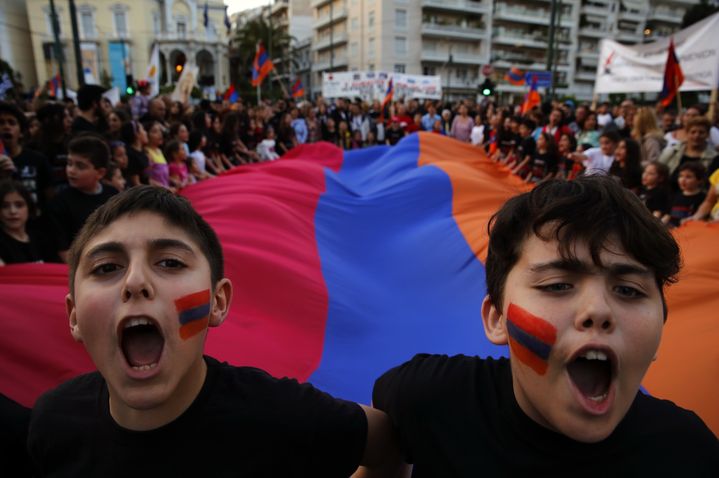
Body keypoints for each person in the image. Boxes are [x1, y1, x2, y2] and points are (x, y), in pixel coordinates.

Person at [27, 186, 400, 476]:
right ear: (74, 315)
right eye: (107, 268)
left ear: (217, 302)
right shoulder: (51, 423)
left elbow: (391, 445)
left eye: (170, 262)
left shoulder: (283, 416)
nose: (136, 281)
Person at [366, 175, 719, 476]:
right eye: (558, 285)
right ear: (496, 319)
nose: (598, 310)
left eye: (628, 290)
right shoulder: (426, 398)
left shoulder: (690, 455)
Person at [45, 135, 118, 262]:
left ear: (100, 173)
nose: (71, 170)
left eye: (80, 166)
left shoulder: (113, 195)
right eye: (69, 163)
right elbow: (64, 251)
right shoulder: (59, 204)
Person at [0, 101, 54, 212]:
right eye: (1, 123)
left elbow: (50, 197)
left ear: (21, 132)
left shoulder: (38, 160)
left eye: (12, 123)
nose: (6, 127)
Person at [662, 161, 706, 228]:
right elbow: (667, 215)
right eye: (681, 176)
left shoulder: (703, 198)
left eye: (688, 177)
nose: (682, 180)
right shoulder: (675, 196)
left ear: (700, 180)